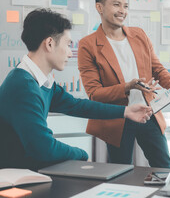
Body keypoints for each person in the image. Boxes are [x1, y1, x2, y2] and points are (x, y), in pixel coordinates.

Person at [0, 9, 152, 171]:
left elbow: (77, 105)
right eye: (68, 44)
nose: (70, 52)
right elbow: (43, 148)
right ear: (50, 44)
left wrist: (126, 112)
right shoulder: (24, 86)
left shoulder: (38, 80)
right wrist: (81, 154)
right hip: (16, 178)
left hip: (30, 171)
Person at [78, 0, 170, 168]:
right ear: (99, 7)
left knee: (164, 166)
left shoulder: (139, 34)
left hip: (148, 113)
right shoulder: (88, 45)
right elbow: (94, 94)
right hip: (118, 117)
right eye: (116, 5)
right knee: (121, 170)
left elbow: (157, 68)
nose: (122, 11)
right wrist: (127, 86)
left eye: (125, 6)